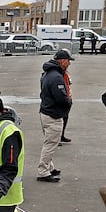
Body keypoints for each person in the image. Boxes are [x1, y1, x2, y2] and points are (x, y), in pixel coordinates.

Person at [36, 49, 74, 182]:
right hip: (53, 115)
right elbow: (61, 98)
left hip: (46, 112)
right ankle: (43, 171)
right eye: (68, 61)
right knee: (51, 143)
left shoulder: (48, 73)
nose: (69, 63)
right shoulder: (56, 77)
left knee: (49, 142)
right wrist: (68, 102)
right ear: (63, 61)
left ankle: (49, 167)